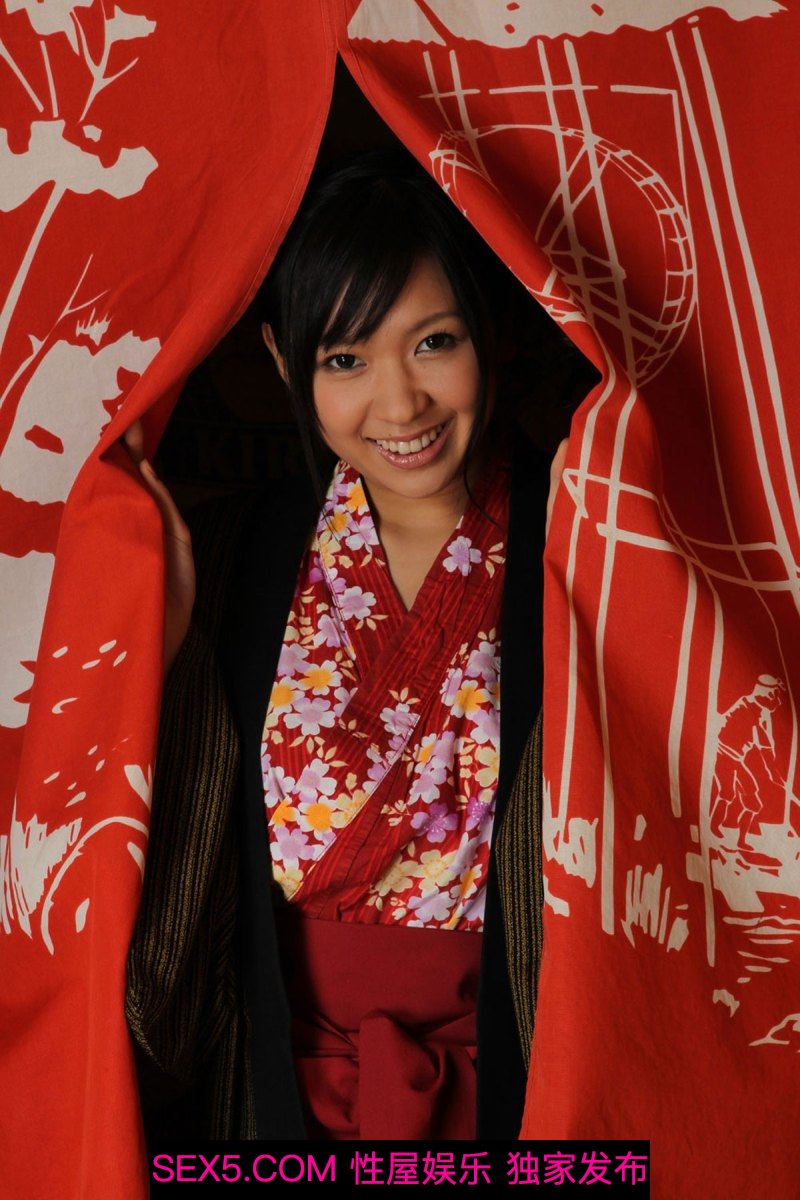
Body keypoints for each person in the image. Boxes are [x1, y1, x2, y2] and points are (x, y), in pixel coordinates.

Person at [122, 149, 569, 1144]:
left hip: (527, 1078)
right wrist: (168, 652)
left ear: (490, 332)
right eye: (344, 360)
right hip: (275, 1088)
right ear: (285, 363)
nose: (400, 406)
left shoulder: (587, 547)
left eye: (433, 342)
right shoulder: (231, 559)